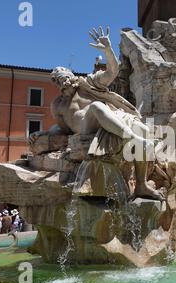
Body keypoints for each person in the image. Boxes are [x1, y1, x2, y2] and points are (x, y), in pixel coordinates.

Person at [28, 26, 162, 201]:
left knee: (142, 129)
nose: (63, 80)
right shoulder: (59, 105)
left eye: (64, 76)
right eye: (58, 80)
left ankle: (141, 184)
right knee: (97, 107)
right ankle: (131, 138)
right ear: (57, 85)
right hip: (86, 127)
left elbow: (111, 72)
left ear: (71, 74)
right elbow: (62, 129)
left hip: (114, 119)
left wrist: (108, 50)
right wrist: (43, 133)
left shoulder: (89, 83)